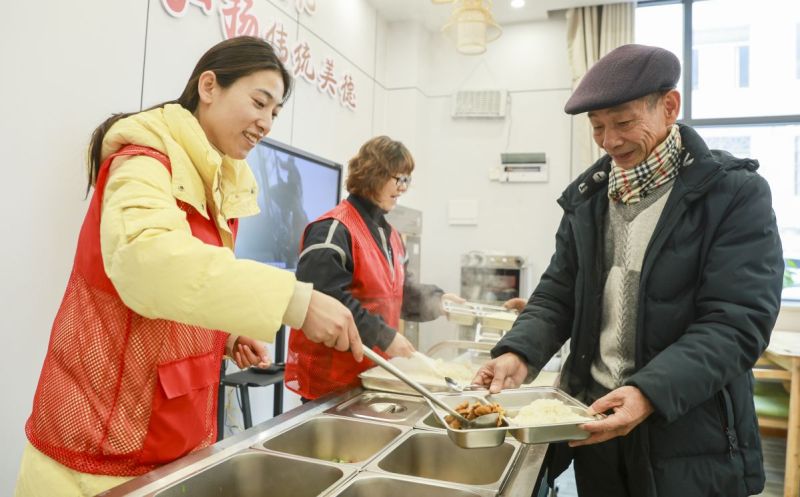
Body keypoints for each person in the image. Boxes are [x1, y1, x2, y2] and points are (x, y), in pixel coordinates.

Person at [16, 36, 363, 497]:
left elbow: (190, 287)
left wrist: (228, 334)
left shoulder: (215, 181)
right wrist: (294, 299)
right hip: (99, 452)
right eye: (259, 102)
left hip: (171, 444)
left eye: (275, 113)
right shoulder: (143, 162)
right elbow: (150, 266)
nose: (265, 123)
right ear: (208, 86)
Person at [472, 44, 783, 497]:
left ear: (669, 107)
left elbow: (737, 323)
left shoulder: (733, 194)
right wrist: (519, 352)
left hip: (690, 435)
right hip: (597, 421)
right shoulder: (589, 200)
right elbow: (559, 292)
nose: (609, 141)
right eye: (597, 127)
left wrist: (648, 394)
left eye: (622, 122)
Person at [285, 136, 463, 400]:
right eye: (398, 179)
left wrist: (438, 301)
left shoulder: (390, 236)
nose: (403, 188)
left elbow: (398, 293)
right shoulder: (333, 229)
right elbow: (324, 298)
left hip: (373, 375)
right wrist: (386, 336)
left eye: (407, 180)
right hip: (331, 381)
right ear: (373, 174)